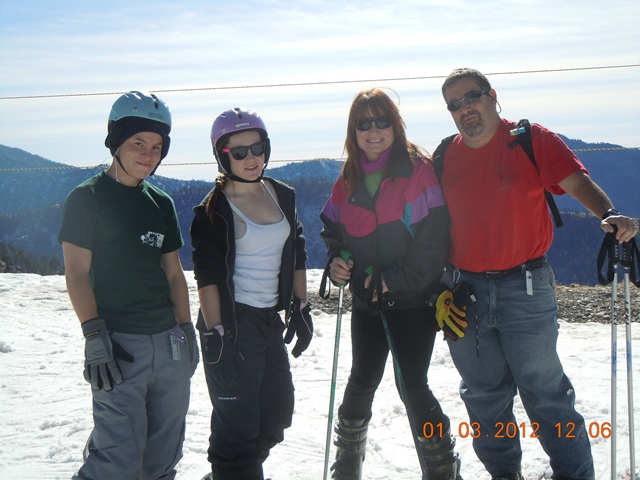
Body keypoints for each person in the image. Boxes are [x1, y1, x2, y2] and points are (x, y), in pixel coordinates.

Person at [435, 68, 639, 480]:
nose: (464, 108)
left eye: (471, 97)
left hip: (525, 287)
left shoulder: (531, 140)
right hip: (463, 293)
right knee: (484, 398)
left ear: (492, 95)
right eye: (454, 104)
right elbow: (426, 222)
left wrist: (608, 213)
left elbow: (576, 182)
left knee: (546, 396)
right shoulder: (443, 156)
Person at [320, 88, 461, 480]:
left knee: (412, 386)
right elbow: (333, 230)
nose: (373, 130)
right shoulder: (348, 180)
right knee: (362, 380)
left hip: (413, 302)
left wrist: (393, 279)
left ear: (395, 125)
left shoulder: (417, 170)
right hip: (368, 303)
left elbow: (434, 244)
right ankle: (348, 465)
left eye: (382, 121)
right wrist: (336, 260)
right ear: (353, 131)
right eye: (363, 123)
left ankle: (442, 468)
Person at [58, 90, 198, 479]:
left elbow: (173, 274)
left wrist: (186, 330)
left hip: (169, 343)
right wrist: (94, 336)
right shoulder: (86, 199)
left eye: (157, 146)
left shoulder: (161, 203)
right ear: (116, 141)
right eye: (138, 143)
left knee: (163, 454)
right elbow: (76, 274)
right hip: (119, 346)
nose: (148, 154)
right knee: (117, 460)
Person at [191, 107, 312, 480]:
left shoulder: (281, 194)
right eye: (239, 152)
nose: (251, 158)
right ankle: (233, 469)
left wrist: (300, 306)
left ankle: (230, 472)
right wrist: (216, 335)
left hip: (267, 320)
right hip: (232, 323)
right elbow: (208, 277)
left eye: (257, 148)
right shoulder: (213, 209)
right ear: (222, 156)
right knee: (237, 427)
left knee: (277, 413)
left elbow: (296, 249)